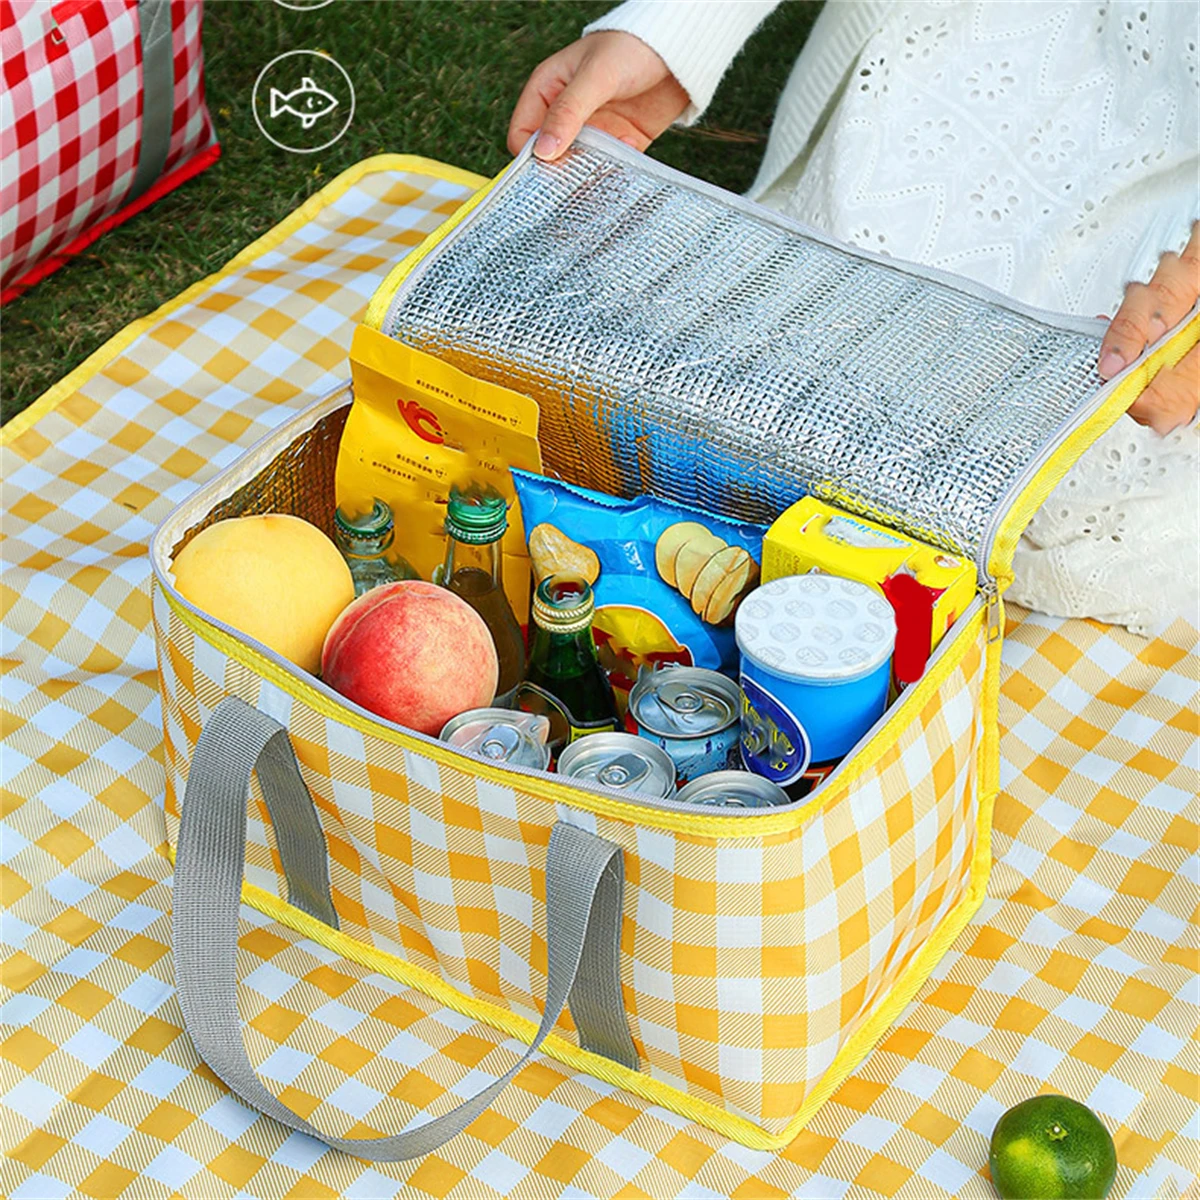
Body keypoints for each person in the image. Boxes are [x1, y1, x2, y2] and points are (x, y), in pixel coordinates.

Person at [508, 1, 1199, 635]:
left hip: (1159, 221)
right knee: (722, 388)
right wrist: (673, 35)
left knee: (1068, 513)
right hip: (923, 94)